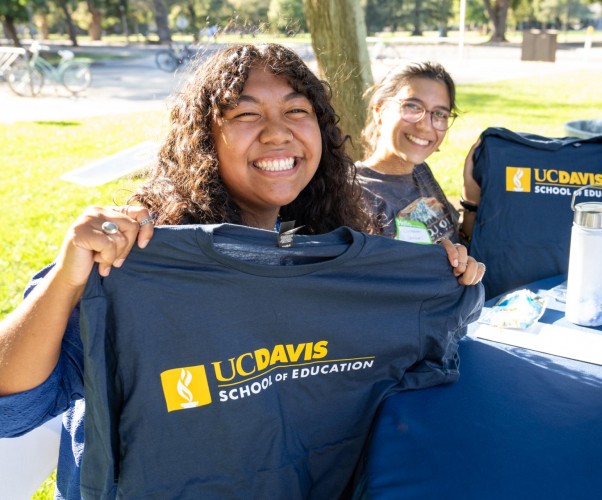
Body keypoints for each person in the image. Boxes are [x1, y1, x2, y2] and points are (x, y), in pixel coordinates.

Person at [0, 44, 484, 498]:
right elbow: (12, 409)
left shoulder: (327, 249)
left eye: (297, 111)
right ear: (203, 140)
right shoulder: (137, 259)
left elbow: (437, 347)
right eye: (246, 114)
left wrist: (448, 273)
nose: (278, 133)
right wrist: (67, 279)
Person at [357, 61, 462, 244]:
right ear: (379, 111)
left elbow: (457, 239)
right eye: (412, 106)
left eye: (439, 114)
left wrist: (471, 197)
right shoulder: (356, 194)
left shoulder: (421, 171)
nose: (424, 126)